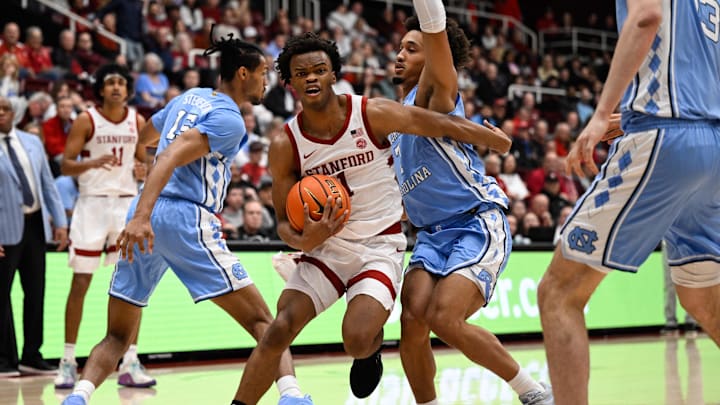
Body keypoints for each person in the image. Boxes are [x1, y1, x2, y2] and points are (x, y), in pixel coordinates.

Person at [232, 31, 512, 405]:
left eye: (320, 70)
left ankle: (371, 347)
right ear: (290, 81)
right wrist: (305, 240)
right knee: (279, 328)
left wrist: (494, 139)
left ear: (334, 74)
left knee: (357, 338)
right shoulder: (286, 143)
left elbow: (438, 124)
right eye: (302, 73)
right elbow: (284, 222)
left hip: (378, 247)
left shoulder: (371, 112)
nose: (311, 77)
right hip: (327, 248)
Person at [61, 33, 307, 405]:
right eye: (262, 73)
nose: (266, 82)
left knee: (117, 335)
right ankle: (291, 395)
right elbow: (170, 155)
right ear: (242, 73)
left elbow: (148, 135)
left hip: (145, 213)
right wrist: (145, 211)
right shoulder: (229, 119)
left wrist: (142, 197)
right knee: (264, 322)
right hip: (184, 218)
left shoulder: (186, 99)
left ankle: (78, 396)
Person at [537, 1, 720, 404]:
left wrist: (603, 113)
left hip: (666, 140)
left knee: (558, 292)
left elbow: (646, 17)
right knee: (703, 298)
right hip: (712, 146)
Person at [390, 3, 553, 404]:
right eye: (400, 47)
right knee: (412, 323)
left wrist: (429, 18)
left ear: (432, 55)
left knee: (445, 318)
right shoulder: (392, 120)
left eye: (412, 48)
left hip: (475, 223)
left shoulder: (432, 95)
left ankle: (532, 392)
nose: (399, 53)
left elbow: (435, 30)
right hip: (430, 236)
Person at [54, 63, 156, 390]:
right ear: (101, 88)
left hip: (124, 205)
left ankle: (130, 362)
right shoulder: (87, 119)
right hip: (93, 203)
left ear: (127, 90)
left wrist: (143, 170)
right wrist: (92, 162)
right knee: (81, 281)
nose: (115, 87)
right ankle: (68, 361)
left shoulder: (137, 120)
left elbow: (146, 163)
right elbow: (66, 165)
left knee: (131, 283)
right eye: (110, 82)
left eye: (121, 83)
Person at [0, 95, 69, 377]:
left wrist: (61, 222)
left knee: (36, 292)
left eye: (5, 109)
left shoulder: (32, 142)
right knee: (2, 296)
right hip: (4, 230)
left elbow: (48, 185)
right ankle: (4, 360)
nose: (1, 113)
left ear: (14, 113)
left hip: (35, 226)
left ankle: (32, 355)